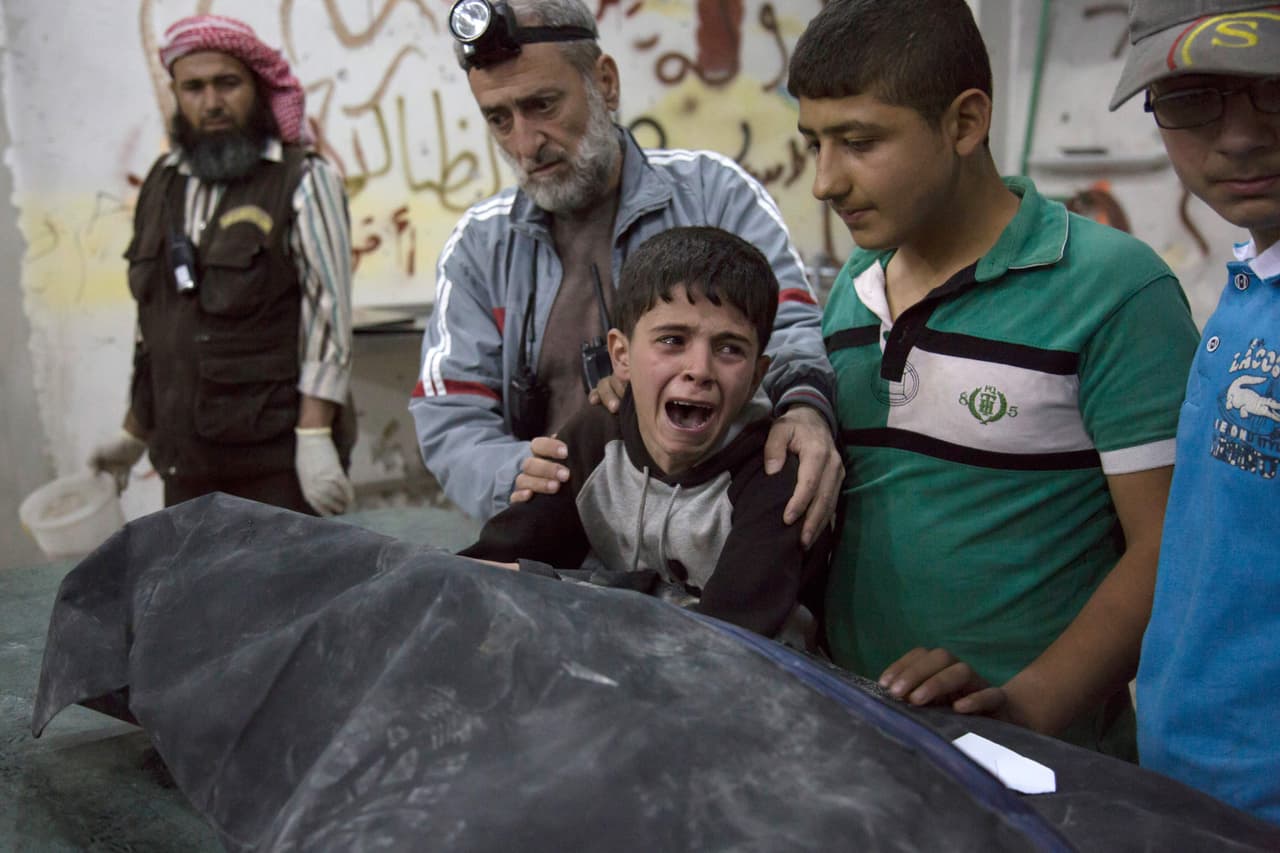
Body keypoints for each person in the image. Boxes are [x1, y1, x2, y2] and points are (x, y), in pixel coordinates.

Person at [789, 0, 1201, 756]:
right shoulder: (854, 289)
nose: (824, 181)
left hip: (1046, 776)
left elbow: (1171, 546)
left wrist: (1027, 708)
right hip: (861, 748)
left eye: (858, 142)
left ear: (965, 122)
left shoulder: (1112, 291)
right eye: (814, 142)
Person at [411, 0, 841, 547]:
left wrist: (805, 409)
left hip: (709, 548)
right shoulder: (479, 246)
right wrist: (514, 472)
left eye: (542, 105)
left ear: (605, 84)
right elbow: (449, 411)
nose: (524, 143)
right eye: (499, 118)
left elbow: (793, 331)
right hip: (555, 557)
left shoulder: (716, 195)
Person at [460, 226, 831, 644]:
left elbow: (727, 642)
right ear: (620, 355)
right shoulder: (595, 435)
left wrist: (555, 584)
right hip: (628, 664)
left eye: (730, 349)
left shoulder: (778, 475)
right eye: (672, 340)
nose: (700, 369)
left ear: (756, 377)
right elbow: (491, 564)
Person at [1109, 0, 1280, 822]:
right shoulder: (1252, 286)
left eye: (1277, 88)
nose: (1241, 136)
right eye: (1190, 98)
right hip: (1194, 791)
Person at [89, 14, 357, 516]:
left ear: (256, 87)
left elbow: (330, 314)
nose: (210, 103)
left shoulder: (302, 179)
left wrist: (316, 434)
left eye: (226, 84)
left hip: (275, 461)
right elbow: (155, 324)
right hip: (184, 461)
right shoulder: (161, 183)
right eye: (193, 88)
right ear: (176, 93)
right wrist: (135, 430)